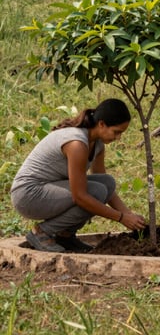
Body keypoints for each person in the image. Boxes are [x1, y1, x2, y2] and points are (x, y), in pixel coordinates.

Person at [11, 98, 147, 253]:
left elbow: (106, 188)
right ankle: (42, 232)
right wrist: (121, 217)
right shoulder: (76, 144)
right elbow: (80, 196)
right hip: (28, 195)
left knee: (107, 182)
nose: (118, 138)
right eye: (116, 132)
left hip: (48, 190)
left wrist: (129, 214)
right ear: (102, 124)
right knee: (95, 192)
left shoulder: (97, 143)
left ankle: (64, 235)